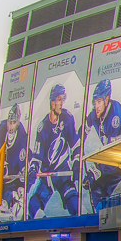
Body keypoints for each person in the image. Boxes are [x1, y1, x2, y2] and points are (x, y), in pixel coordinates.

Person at [28, 85, 80, 218]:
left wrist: (76, 162)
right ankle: (44, 227)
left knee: (75, 205)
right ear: (52, 102)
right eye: (59, 99)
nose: (61, 103)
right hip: (47, 176)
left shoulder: (67, 118)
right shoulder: (43, 127)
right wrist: (33, 169)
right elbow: (37, 156)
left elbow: (75, 144)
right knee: (33, 204)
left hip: (63, 173)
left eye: (63, 99)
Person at [82, 80, 121, 211]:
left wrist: (94, 171)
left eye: (99, 102)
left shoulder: (116, 115)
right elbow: (82, 132)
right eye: (95, 102)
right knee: (96, 187)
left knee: (98, 184)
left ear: (107, 99)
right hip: (111, 163)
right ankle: (101, 216)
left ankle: (105, 216)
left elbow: (114, 153)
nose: (96, 106)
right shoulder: (96, 114)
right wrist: (76, 153)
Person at [0, 104, 30, 219]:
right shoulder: (2, 128)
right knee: (2, 205)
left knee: (22, 186)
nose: (10, 126)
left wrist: (24, 172)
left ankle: (18, 196)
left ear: (18, 123)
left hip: (15, 177)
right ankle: (10, 198)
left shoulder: (21, 135)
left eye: (13, 122)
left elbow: (25, 155)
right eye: (9, 122)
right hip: (4, 177)